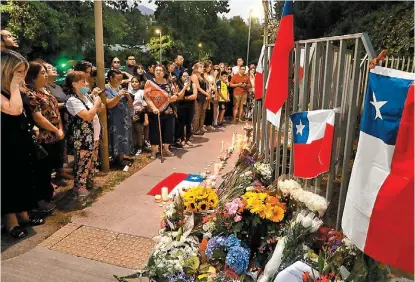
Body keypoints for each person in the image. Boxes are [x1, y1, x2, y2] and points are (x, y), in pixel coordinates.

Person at [1, 50, 45, 239]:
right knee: (10, 180)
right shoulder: (5, 91)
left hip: (21, 139)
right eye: (18, 72)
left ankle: (24, 213)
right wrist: (13, 86)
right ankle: (11, 222)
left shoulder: (16, 89)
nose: (22, 76)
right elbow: (15, 109)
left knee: (23, 177)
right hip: (6, 143)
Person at [26, 61, 62, 213]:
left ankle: (47, 195)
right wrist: (55, 129)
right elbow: (38, 117)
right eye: (42, 72)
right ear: (33, 77)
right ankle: (41, 201)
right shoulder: (30, 93)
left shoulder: (45, 90)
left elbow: (55, 110)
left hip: (54, 135)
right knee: (42, 170)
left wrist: (60, 128)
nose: (46, 75)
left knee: (49, 169)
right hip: (43, 137)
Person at [65, 71, 102, 197]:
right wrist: (97, 103)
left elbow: (99, 109)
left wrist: (96, 102)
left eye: (87, 81)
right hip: (82, 137)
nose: (87, 83)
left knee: (92, 160)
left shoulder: (85, 96)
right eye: (83, 81)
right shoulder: (72, 100)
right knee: (82, 161)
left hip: (94, 135)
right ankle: (79, 187)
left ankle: (90, 182)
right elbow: (88, 115)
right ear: (74, 84)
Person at [44, 62, 73, 182]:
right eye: (50, 68)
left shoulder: (57, 86)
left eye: (54, 67)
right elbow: (52, 105)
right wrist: (68, 104)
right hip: (52, 120)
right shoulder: (45, 88)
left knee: (62, 145)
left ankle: (61, 169)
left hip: (63, 118)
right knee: (54, 146)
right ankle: (55, 172)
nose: (54, 69)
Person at [144, 64, 177, 159]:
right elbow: (147, 97)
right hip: (154, 111)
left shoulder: (169, 83)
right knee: (154, 131)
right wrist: (154, 107)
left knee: (168, 130)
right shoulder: (149, 83)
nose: (158, 72)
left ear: (164, 72)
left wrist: (174, 97)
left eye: (160, 70)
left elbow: (175, 95)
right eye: (156, 70)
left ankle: (166, 149)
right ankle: (154, 151)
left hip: (168, 110)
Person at [105, 69, 134, 166]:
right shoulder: (106, 89)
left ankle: (122, 157)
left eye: (121, 79)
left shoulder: (121, 87)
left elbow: (130, 104)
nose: (120, 81)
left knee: (124, 136)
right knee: (115, 137)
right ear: (111, 78)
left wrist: (128, 97)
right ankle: (115, 158)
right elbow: (109, 104)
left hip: (124, 118)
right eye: (118, 79)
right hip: (114, 118)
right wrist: (118, 95)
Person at [177, 70, 196, 146]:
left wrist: (184, 98)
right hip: (181, 106)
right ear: (180, 77)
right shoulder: (178, 85)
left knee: (189, 122)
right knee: (181, 123)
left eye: (187, 76)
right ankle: (182, 139)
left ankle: (188, 138)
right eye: (184, 76)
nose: (185, 77)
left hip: (190, 106)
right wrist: (184, 88)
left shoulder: (193, 84)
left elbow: (194, 95)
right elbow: (179, 97)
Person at [130, 77, 148, 155]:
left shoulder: (142, 92)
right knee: (132, 132)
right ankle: (134, 146)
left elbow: (145, 104)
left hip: (139, 113)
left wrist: (138, 114)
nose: (134, 83)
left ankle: (140, 147)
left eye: (136, 81)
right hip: (130, 114)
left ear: (139, 83)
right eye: (132, 81)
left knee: (139, 131)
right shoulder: (128, 91)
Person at [191, 62, 210, 136]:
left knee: (203, 113)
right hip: (198, 97)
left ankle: (201, 127)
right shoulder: (194, 76)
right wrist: (207, 94)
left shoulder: (202, 76)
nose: (203, 68)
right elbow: (198, 88)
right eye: (201, 67)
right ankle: (195, 129)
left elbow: (206, 85)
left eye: (203, 67)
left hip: (204, 96)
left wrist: (208, 93)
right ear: (196, 68)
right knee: (197, 114)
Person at [203, 60, 217, 131]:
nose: (209, 68)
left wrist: (214, 88)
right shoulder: (203, 74)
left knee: (210, 108)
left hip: (211, 93)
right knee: (205, 109)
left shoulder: (211, 75)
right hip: (206, 92)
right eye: (208, 66)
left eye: (211, 67)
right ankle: (203, 124)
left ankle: (209, 124)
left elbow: (214, 83)